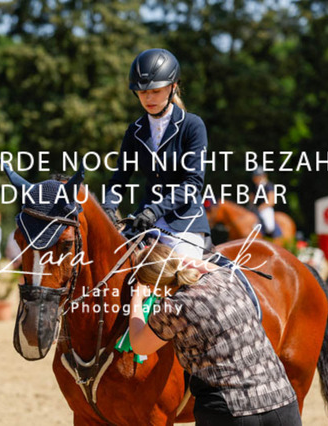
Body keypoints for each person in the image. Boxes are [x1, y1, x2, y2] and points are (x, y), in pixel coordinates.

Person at [128, 244, 302, 426]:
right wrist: (176, 258)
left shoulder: (172, 308)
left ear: (151, 285)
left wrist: (137, 299)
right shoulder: (224, 276)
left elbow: (139, 345)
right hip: (282, 401)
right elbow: (207, 266)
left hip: (230, 411)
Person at [102, 48, 210, 259]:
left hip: (183, 224)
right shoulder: (135, 131)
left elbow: (193, 184)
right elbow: (119, 180)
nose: (148, 98)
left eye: (155, 91)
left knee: (183, 275)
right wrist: (108, 207)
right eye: (142, 92)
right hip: (143, 223)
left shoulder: (192, 125)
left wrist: (154, 211)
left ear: (173, 87)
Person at [249, 167, 276, 238]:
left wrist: (261, 207)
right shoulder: (254, 187)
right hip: (255, 209)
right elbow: (251, 200)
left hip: (265, 208)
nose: (255, 179)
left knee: (269, 226)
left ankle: (271, 237)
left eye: (257, 177)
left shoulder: (268, 186)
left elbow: (271, 201)